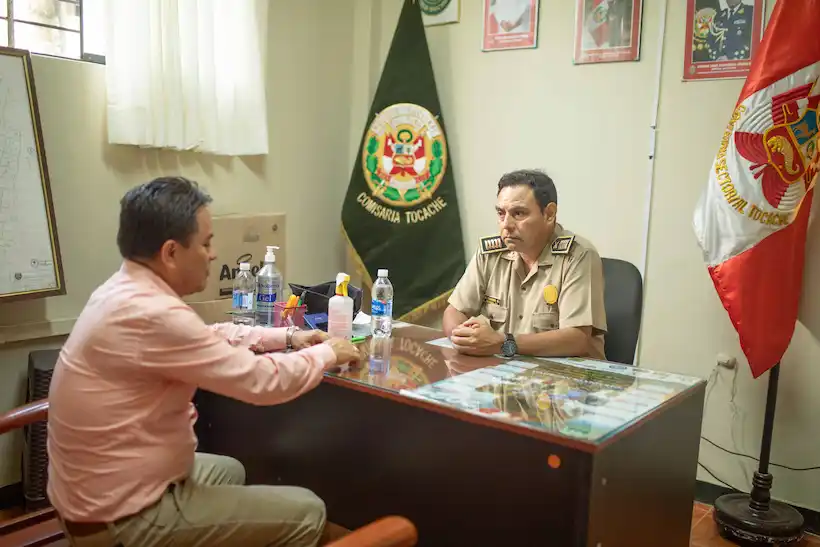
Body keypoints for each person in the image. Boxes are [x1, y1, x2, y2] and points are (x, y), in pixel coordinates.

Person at [47, 176, 362, 547]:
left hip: (96, 489)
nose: (213, 254)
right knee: (309, 512)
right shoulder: (152, 313)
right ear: (170, 252)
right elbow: (261, 382)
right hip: (120, 519)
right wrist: (328, 353)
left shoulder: (124, 289)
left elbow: (205, 335)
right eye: (206, 243)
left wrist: (289, 336)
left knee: (230, 470)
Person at [442, 169, 607, 360]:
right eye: (501, 213)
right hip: (507, 374)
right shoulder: (491, 253)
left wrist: (504, 343)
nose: (506, 224)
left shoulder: (578, 255)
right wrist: (463, 337)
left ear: (549, 214)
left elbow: (577, 339)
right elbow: (455, 310)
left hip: (566, 378)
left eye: (518, 213)